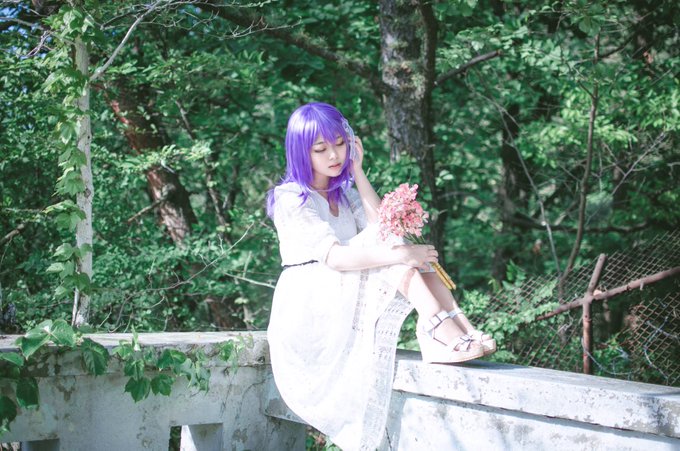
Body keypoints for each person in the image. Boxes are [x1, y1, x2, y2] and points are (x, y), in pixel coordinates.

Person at [266, 102, 495, 450]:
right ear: (302, 152)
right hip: (308, 306)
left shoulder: (343, 193)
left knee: (402, 248)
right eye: (321, 148)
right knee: (396, 254)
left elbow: (384, 230)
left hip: (336, 287)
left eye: (340, 143)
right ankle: (438, 329)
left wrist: (357, 172)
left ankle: (453, 325)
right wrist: (400, 254)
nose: (334, 155)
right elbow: (336, 257)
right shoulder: (291, 199)